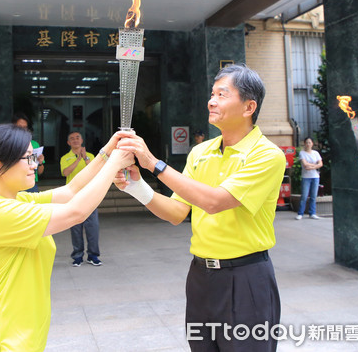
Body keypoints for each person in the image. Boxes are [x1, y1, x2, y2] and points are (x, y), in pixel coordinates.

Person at [115, 64, 286, 352]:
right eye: (212, 93)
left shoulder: (267, 155)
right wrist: (137, 187)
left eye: (222, 94)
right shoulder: (200, 152)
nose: (211, 100)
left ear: (249, 107)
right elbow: (177, 212)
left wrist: (153, 163)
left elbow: (214, 201)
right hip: (201, 278)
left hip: (245, 279)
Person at [0, 123, 133, 352]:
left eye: (33, 157)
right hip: (1, 340)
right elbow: (77, 211)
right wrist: (114, 164)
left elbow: (71, 190)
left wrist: (107, 152)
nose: (35, 165)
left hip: (21, 336)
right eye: (27, 158)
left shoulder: (17, 201)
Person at [60, 131, 101, 266]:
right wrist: (77, 159)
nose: (75, 140)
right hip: (73, 197)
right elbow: (66, 172)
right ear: (68, 143)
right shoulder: (65, 158)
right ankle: (77, 256)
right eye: (72, 138)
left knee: (92, 228)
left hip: (89, 196)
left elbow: (95, 172)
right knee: (75, 228)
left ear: (82, 140)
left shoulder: (90, 156)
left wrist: (85, 159)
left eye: (78, 137)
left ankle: (93, 256)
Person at [12, 112, 45, 191]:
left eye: (25, 127)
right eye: (20, 127)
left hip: (31, 185)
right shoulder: (9, 144)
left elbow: (40, 172)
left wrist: (40, 163)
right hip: (14, 184)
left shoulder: (34, 144)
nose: (23, 130)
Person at [296, 137, 323, 220]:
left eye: (309, 142)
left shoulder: (316, 153)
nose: (308, 144)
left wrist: (311, 166)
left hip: (315, 177)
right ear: (304, 143)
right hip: (306, 177)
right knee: (304, 196)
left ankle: (312, 213)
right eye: (307, 142)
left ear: (312, 144)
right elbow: (305, 165)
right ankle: (300, 213)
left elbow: (320, 164)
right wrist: (315, 166)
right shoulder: (302, 153)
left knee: (313, 196)